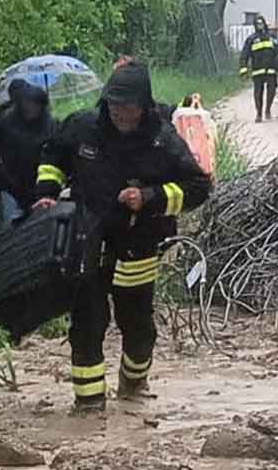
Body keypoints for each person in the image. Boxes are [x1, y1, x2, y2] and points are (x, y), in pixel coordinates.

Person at [33, 61, 211, 413]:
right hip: (88, 240)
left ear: (143, 106)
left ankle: (132, 385)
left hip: (138, 246)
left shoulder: (163, 140)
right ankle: (88, 404)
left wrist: (149, 197)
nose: (120, 113)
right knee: (87, 321)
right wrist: (48, 191)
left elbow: (198, 187)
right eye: (114, 105)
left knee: (138, 327)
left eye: (127, 107)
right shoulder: (83, 128)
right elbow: (52, 156)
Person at [0, 81, 55, 231]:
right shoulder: (6, 121)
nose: (30, 108)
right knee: (9, 229)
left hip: (38, 187)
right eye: (27, 103)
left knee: (34, 230)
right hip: (9, 184)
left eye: (35, 104)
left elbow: (58, 157)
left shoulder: (51, 126)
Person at [239, 15, 278, 123]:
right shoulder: (251, 39)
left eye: (261, 23)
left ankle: (268, 109)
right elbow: (244, 55)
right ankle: (259, 113)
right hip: (257, 70)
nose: (260, 25)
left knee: (271, 91)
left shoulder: (272, 37)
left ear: (264, 23)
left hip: (271, 69)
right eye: (258, 24)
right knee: (258, 93)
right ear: (255, 25)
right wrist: (243, 69)